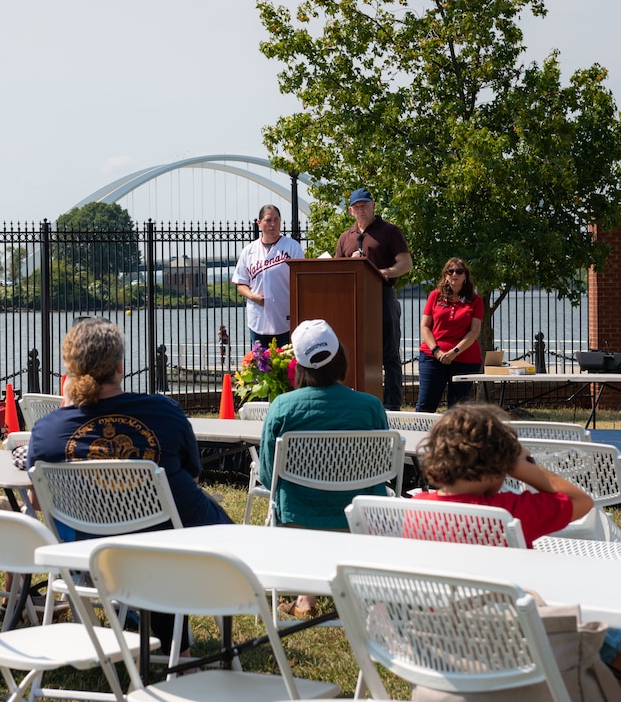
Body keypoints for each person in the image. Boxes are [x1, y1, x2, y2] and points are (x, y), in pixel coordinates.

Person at [26, 317, 233, 654]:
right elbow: (193, 478)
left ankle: (166, 643)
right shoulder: (164, 412)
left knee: (154, 540)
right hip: (169, 547)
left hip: (90, 552)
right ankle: (177, 649)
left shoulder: (48, 429)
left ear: (71, 370)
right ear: (120, 367)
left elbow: (37, 501)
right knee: (163, 533)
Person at [413, 403, 621, 675]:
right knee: (612, 634)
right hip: (515, 635)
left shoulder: (416, 507)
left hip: (443, 636)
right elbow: (580, 501)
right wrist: (521, 466)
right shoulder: (508, 512)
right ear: (500, 465)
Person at [258, 318, 389, 619]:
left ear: (300, 366)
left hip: (297, 522)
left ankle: (306, 598)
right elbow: (384, 469)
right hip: (358, 520)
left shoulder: (282, 407)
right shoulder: (370, 407)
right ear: (340, 357)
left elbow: (268, 476)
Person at [334, 188, 412, 410]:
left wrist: (381, 272)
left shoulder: (390, 232)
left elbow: (406, 264)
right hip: (354, 303)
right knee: (353, 353)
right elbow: (338, 271)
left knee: (389, 355)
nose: (361, 210)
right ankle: (355, 403)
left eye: (364, 205)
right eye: (356, 207)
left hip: (382, 297)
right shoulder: (345, 238)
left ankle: (392, 406)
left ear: (373, 206)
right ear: (350, 210)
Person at [232, 205, 305, 349]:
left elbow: (301, 280)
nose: (273, 224)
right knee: (261, 366)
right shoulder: (249, 251)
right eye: (268, 220)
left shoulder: (292, 247)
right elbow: (240, 283)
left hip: (285, 317)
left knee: (286, 365)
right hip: (258, 319)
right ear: (259, 223)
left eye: (277, 220)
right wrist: (252, 296)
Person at [416, 258, 483, 412]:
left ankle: (454, 437)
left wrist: (454, 352)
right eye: (450, 271)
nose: (454, 274)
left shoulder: (476, 300)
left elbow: (474, 331)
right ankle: (420, 436)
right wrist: (436, 351)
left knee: (457, 410)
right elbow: (425, 327)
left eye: (459, 271)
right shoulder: (435, 296)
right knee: (425, 405)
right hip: (432, 357)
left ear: (465, 276)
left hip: (465, 359)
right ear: (445, 275)